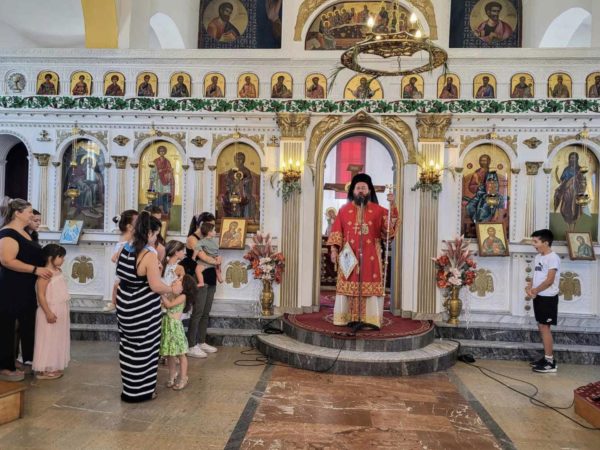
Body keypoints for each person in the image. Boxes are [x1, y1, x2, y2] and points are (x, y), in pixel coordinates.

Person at [115, 211, 182, 402]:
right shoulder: (148, 254)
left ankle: (130, 390)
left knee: (128, 347)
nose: (156, 239)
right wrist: (172, 289)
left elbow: (126, 275)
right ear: (149, 233)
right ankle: (142, 392)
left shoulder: (124, 248)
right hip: (143, 307)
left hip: (125, 304)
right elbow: (155, 286)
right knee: (146, 348)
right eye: (155, 234)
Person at [326, 174, 398, 329]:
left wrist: (392, 206)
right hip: (348, 256)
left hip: (371, 255)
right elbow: (337, 232)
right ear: (353, 191)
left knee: (369, 284)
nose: (360, 191)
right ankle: (345, 318)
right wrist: (333, 250)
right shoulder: (343, 210)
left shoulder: (379, 211)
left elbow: (388, 232)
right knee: (348, 284)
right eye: (358, 188)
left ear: (369, 191)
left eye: (363, 188)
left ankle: (370, 320)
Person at [0, 199, 52, 382]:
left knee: (27, 324)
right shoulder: (8, 233)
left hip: (26, 286)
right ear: (18, 213)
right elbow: (7, 260)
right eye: (29, 212)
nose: (32, 215)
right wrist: (36, 270)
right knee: (7, 326)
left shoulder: (24, 232)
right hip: (11, 286)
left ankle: (26, 360)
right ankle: (5, 366)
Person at [32, 244, 70, 380]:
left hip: (60, 308)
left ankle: (53, 365)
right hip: (49, 309)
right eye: (61, 257)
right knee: (47, 338)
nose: (63, 260)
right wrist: (48, 312)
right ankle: (43, 369)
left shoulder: (58, 271)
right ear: (50, 257)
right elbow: (41, 295)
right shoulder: (45, 274)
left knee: (56, 338)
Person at [160, 241, 194, 391]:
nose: (184, 253)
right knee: (169, 352)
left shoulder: (180, 269)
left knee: (179, 352)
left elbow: (182, 286)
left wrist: (166, 293)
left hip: (172, 304)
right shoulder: (162, 265)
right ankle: (172, 375)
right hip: (165, 307)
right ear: (175, 251)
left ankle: (182, 377)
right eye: (182, 250)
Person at [526, 229, 560, 373]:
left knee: (545, 328)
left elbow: (550, 280)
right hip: (539, 296)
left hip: (548, 297)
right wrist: (529, 287)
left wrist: (536, 290)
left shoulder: (553, 258)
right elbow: (536, 275)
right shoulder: (538, 257)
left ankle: (550, 363)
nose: (533, 244)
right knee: (541, 326)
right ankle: (546, 358)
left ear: (545, 242)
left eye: (536, 242)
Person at [186, 216, 220, 359]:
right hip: (200, 277)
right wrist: (216, 261)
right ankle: (191, 345)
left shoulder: (210, 240)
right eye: (210, 225)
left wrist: (216, 260)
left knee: (206, 312)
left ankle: (201, 341)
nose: (212, 228)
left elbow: (214, 254)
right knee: (198, 312)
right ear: (202, 225)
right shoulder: (192, 238)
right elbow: (204, 257)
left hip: (211, 276)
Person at [104, 210, 138, 312]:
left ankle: (114, 303)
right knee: (117, 285)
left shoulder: (127, 239)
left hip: (124, 269)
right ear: (129, 227)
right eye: (137, 221)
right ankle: (114, 303)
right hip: (124, 269)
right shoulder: (126, 242)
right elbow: (115, 258)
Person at [219, 151, 258, 219]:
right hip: (232, 191)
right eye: (237, 158)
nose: (238, 160)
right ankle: (229, 218)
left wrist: (242, 183)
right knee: (225, 199)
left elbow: (249, 182)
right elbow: (228, 182)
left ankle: (246, 219)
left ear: (243, 160)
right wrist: (233, 185)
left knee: (250, 200)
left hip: (244, 192)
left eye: (240, 159)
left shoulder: (246, 171)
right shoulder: (231, 171)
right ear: (234, 160)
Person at [553, 152, 585, 230]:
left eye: (574, 158)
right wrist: (556, 173)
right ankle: (568, 230)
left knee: (575, 210)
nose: (572, 159)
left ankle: (573, 229)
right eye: (571, 158)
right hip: (567, 192)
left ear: (577, 159)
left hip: (576, 193)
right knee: (565, 209)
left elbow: (583, 181)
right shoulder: (566, 169)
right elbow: (561, 182)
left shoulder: (580, 169)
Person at [193, 222, 224, 288]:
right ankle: (219, 277)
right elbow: (217, 249)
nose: (215, 232)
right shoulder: (215, 241)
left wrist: (194, 256)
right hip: (216, 258)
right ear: (209, 232)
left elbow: (197, 248)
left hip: (207, 260)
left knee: (197, 270)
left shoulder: (202, 241)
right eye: (214, 230)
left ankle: (201, 282)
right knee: (218, 266)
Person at [149, 146, 175, 216]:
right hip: (157, 181)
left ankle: (165, 212)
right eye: (160, 151)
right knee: (157, 196)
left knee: (165, 196)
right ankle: (156, 212)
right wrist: (152, 180)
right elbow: (152, 171)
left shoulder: (167, 161)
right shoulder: (155, 161)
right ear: (159, 152)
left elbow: (170, 170)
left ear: (165, 152)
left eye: (163, 151)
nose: (162, 152)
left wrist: (163, 171)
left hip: (165, 182)